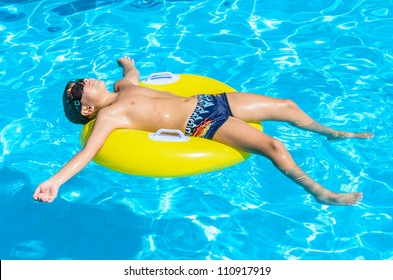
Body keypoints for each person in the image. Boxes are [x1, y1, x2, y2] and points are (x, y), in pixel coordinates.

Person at [33, 56, 374, 205]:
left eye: (77, 81)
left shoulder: (123, 87)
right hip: (200, 122)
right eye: (77, 91)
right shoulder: (109, 117)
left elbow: (133, 71)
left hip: (208, 99)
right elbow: (86, 153)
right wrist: (55, 182)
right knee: (273, 146)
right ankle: (321, 192)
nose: (82, 83)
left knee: (285, 106)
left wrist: (126, 63)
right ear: (87, 109)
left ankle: (329, 132)